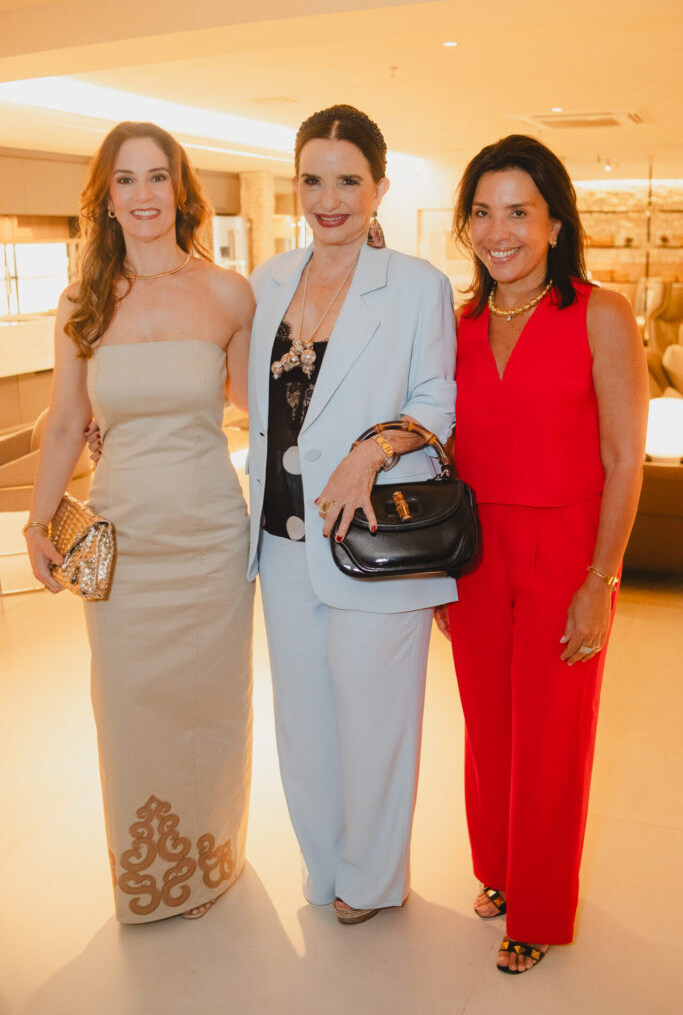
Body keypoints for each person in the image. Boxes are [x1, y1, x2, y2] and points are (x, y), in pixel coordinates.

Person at [24, 121, 255, 924]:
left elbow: (258, 410)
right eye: (126, 179)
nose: (144, 194)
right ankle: (151, 875)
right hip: (119, 537)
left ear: (181, 192)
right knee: (127, 707)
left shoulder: (228, 293)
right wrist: (37, 524)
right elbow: (64, 424)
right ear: (107, 198)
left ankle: (209, 863)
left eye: (158, 177)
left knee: (211, 705)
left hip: (210, 535)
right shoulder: (81, 302)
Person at [434, 134, 648, 971]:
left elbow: (624, 458)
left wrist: (601, 579)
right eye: (483, 213)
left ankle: (540, 907)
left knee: (552, 737)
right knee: (487, 726)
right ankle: (498, 869)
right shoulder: (456, 325)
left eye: (518, 212)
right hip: (475, 552)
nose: (499, 232)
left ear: (555, 223)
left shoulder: (600, 313)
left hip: (566, 551)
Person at [247, 104, 457, 924]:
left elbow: (436, 400)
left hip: (372, 537)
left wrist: (370, 450)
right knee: (303, 725)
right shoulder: (267, 281)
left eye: (347, 181)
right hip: (282, 539)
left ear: (379, 187)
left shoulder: (415, 286)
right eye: (311, 180)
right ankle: (324, 867)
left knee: (375, 724)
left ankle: (371, 881)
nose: (327, 200)